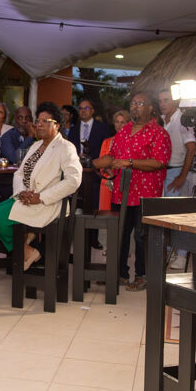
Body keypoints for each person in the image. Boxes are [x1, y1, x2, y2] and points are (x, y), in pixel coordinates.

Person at [0, 102, 81, 270]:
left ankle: (24, 250)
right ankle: (27, 250)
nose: (39, 124)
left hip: (45, 203)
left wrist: (41, 197)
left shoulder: (65, 147)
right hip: (26, 198)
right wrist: (21, 191)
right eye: (38, 120)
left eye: (45, 121)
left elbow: (73, 180)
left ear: (56, 125)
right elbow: (19, 173)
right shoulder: (36, 145)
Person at [94, 93, 171, 289]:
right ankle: (118, 273)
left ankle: (142, 276)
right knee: (120, 233)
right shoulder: (124, 131)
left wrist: (130, 162)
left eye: (140, 103)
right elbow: (111, 157)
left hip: (145, 193)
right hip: (122, 191)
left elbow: (159, 162)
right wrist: (90, 163)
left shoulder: (158, 133)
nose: (135, 106)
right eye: (133, 103)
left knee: (141, 236)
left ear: (151, 108)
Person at [73, 99, 113, 248]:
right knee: (80, 204)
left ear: (92, 110)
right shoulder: (74, 128)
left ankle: (93, 239)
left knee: (94, 205)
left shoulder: (102, 128)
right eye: (81, 108)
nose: (83, 111)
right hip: (78, 172)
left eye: (87, 108)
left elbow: (107, 150)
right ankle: (80, 239)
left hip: (96, 172)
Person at [158, 89, 196, 197]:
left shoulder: (183, 119)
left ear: (175, 101)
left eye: (166, 100)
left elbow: (192, 148)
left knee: (173, 210)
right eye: (160, 101)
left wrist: (182, 177)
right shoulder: (160, 120)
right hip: (161, 171)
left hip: (177, 170)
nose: (162, 104)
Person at [97, 109, 129, 211]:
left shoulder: (132, 143)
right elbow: (101, 163)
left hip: (123, 183)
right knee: (106, 215)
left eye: (122, 122)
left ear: (128, 124)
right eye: (117, 122)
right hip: (107, 181)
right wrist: (110, 174)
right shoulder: (107, 142)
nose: (119, 125)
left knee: (122, 216)